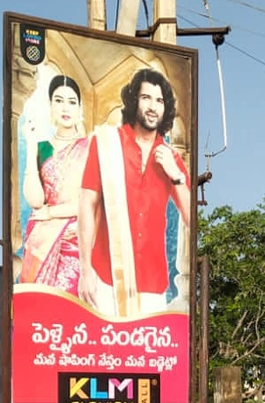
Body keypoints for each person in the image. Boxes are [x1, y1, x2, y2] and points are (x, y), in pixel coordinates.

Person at [77, 67, 192, 318]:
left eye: (159, 101)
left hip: (153, 286)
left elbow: (191, 218)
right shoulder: (107, 144)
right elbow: (87, 203)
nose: (153, 107)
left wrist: (176, 175)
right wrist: (85, 269)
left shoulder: (170, 157)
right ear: (134, 100)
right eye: (146, 98)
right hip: (106, 280)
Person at [19, 74, 91, 294]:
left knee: (68, 300)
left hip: (78, 241)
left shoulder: (90, 149)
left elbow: (90, 201)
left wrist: (50, 213)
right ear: (50, 106)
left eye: (72, 102)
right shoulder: (42, 148)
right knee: (40, 304)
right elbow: (35, 200)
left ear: (80, 109)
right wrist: (31, 147)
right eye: (59, 100)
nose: (65, 108)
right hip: (42, 241)